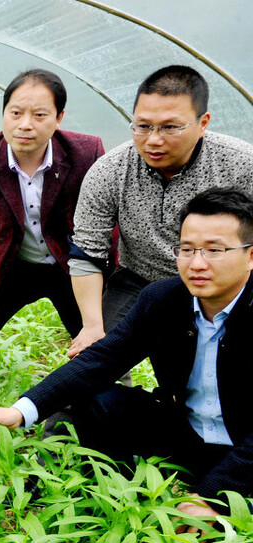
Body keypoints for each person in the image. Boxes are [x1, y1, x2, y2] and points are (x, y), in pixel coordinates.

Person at [0, 187, 253, 523]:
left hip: (245, 444)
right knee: (96, 396)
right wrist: (21, 412)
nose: (197, 263)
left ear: (250, 256)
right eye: (187, 249)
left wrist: (212, 494)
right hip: (188, 433)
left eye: (215, 250)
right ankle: (121, 502)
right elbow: (101, 360)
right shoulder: (163, 299)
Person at [0, 69, 105, 393]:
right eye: (15, 113)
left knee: (101, 339)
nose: (25, 124)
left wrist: (100, 294)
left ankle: (97, 413)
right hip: (11, 268)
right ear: (4, 114)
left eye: (39, 115)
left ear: (58, 118)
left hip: (74, 268)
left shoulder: (86, 155)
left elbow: (103, 227)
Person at [67, 64, 253, 358]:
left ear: (203, 122)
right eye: (143, 126)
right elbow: (87, 254)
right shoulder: (110, 171)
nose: (153, 139)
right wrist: (91, 326)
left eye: (170, 127)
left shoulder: (242, 164)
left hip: (222, 284)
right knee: (95, 358)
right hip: (138, 279)